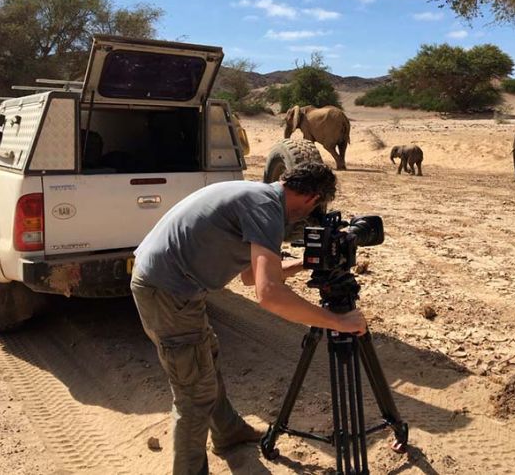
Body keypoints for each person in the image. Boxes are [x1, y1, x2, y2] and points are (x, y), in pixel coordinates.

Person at [130, 162, 367, 475]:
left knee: (204, 359)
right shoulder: (267, 210)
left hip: (174, 285)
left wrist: (300, 264)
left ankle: (229, 432)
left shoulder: (259, 197)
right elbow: (268, 294)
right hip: (168, 291)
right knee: (194, 393)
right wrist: (338, 322)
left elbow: (248, 276)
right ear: (312, 199)